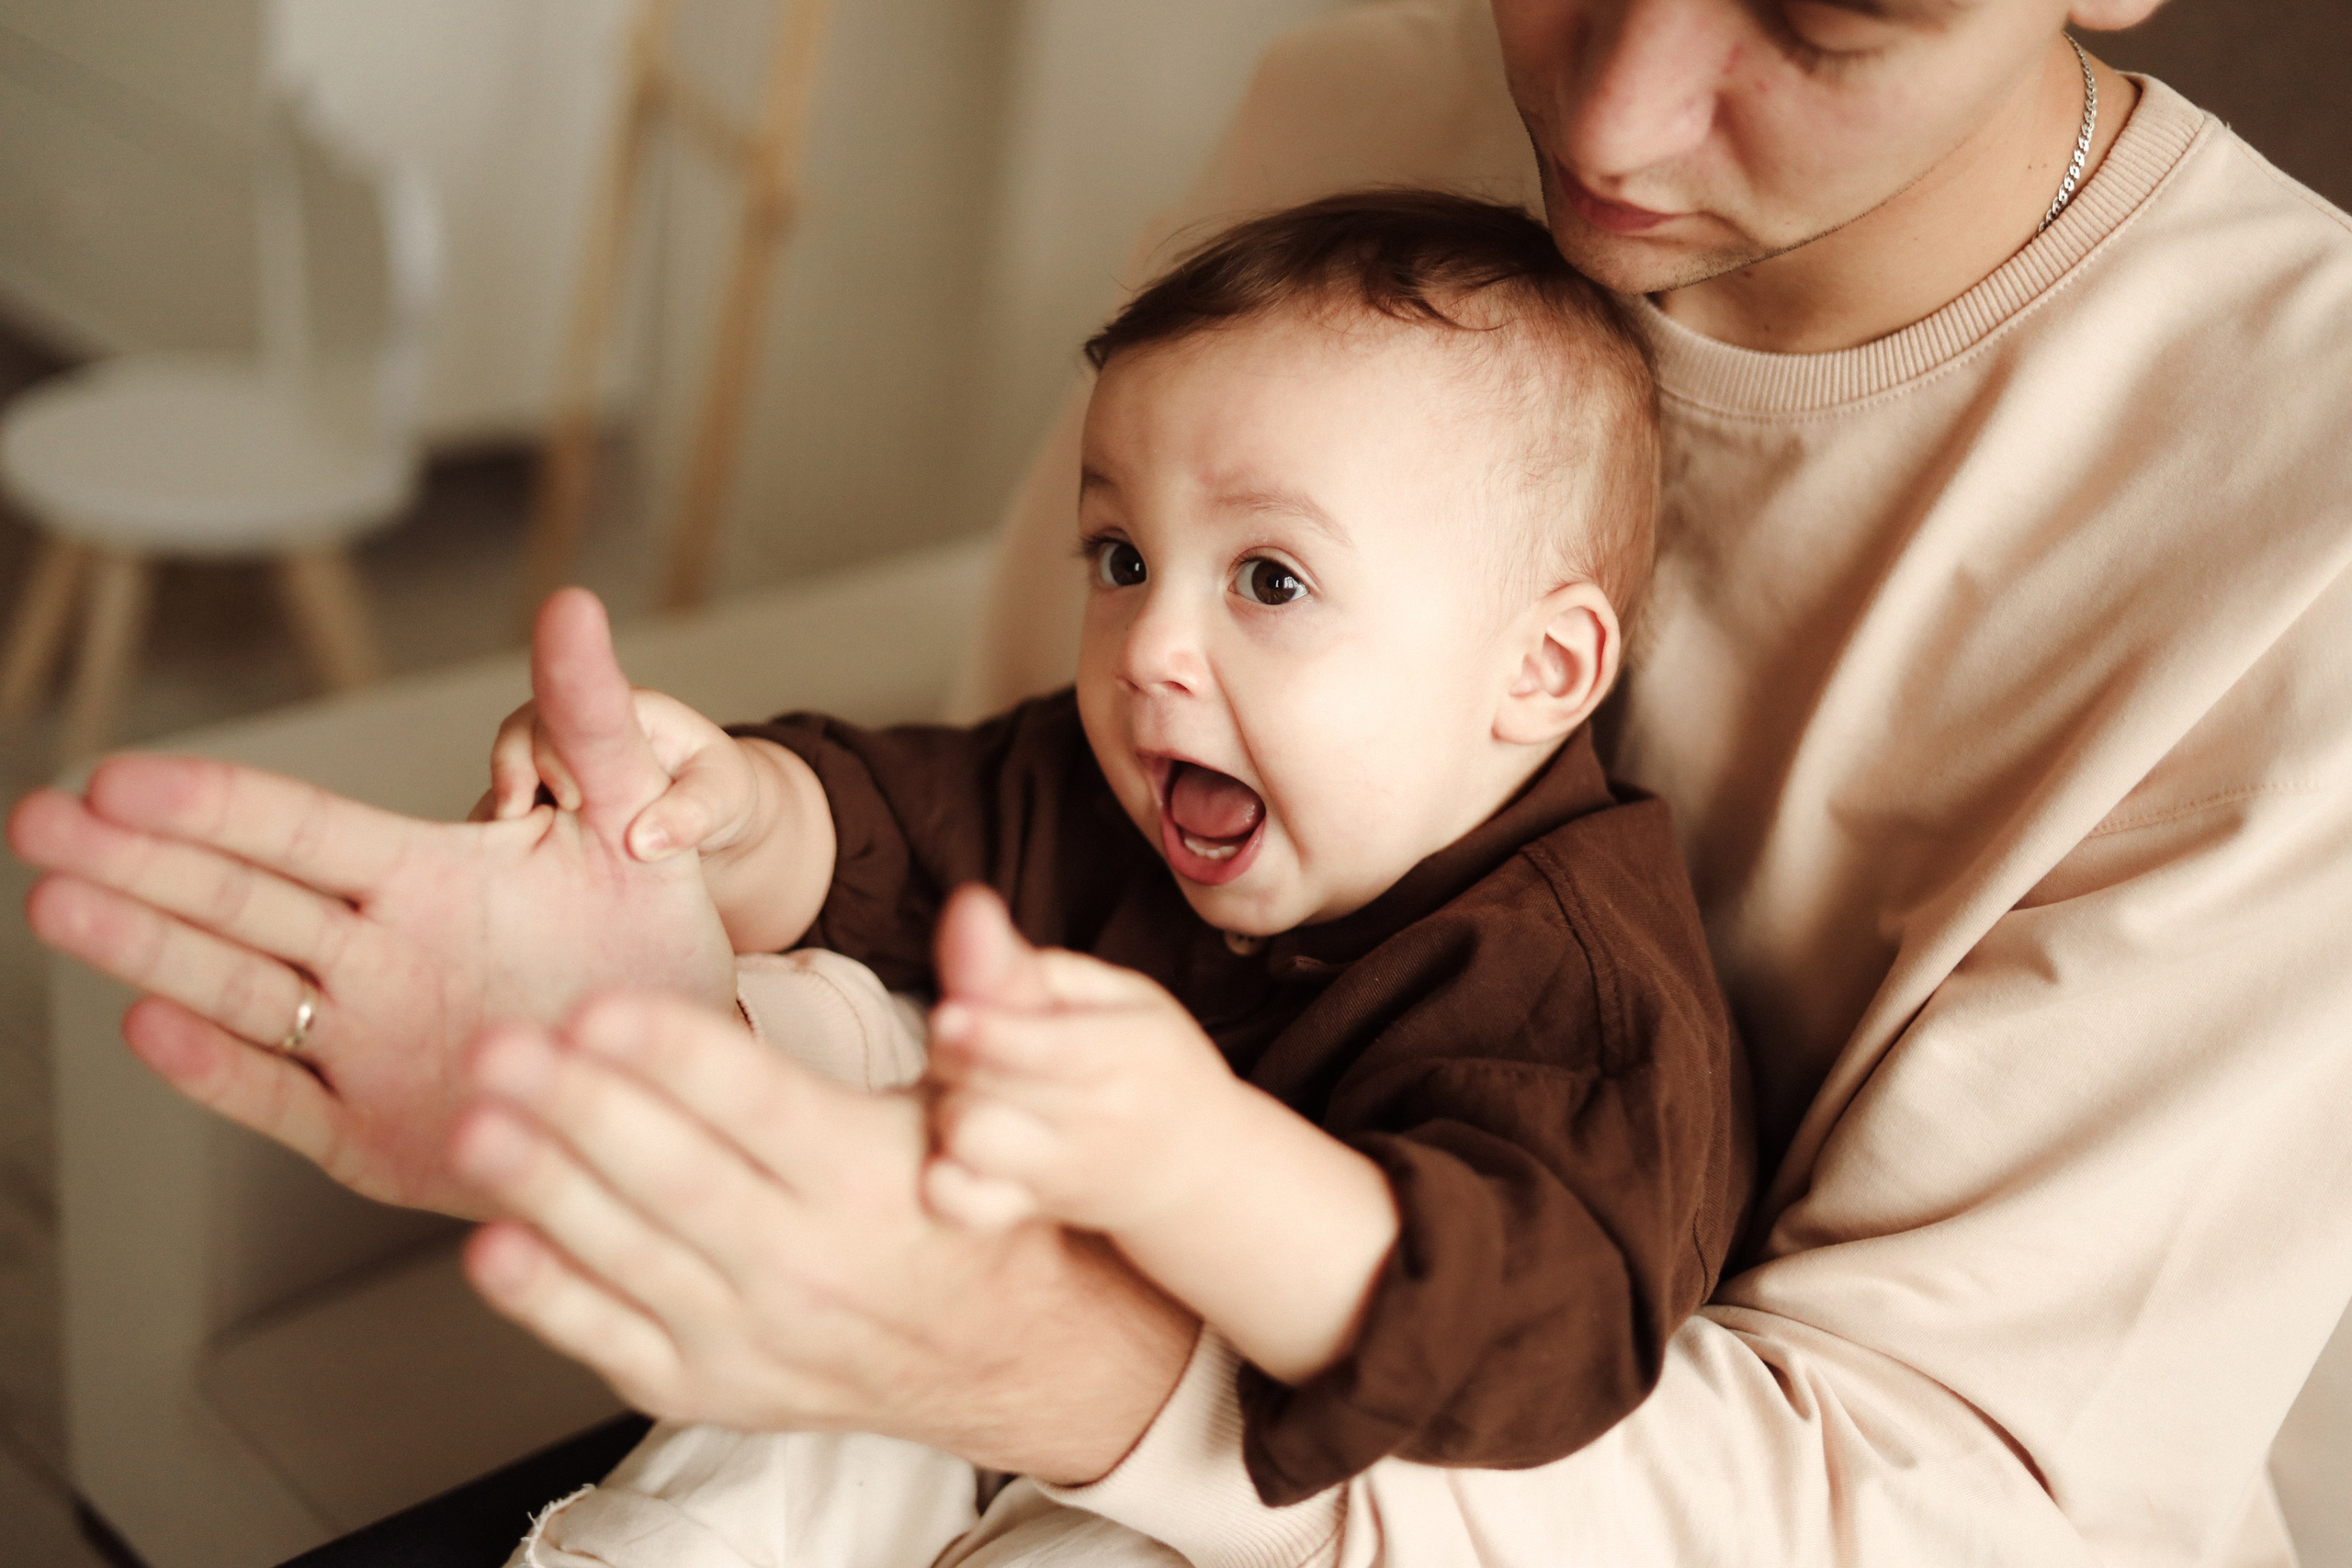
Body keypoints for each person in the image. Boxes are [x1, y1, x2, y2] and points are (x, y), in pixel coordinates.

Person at [12, 0, 2352, 1562]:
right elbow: (1022, 788)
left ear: (1559, 666)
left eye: (1824, 4)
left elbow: (1863, 1486)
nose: (1607, 120)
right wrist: (729, 862)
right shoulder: (1363, 109)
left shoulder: (2288, 543)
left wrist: (1051, 1298)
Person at [460, 192, 1746, 1562]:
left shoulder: (1576, 987)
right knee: (860, 1074)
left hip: (1280, 1498)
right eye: (1123, 561)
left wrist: (1190, 1161)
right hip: (994, 1365)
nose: (1149, 649)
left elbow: (1537, 1345)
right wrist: (724, 812)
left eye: (1269, 578)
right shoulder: (1117, 792)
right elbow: (898, 827)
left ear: (1539, 672)